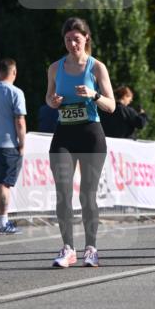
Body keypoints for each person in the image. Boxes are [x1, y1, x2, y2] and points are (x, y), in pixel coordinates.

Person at [46, 18, 115, 268]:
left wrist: (94, 95)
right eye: (68, 40)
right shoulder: (55, 68)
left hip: (90, 134)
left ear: (86, 38)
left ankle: (91, 249)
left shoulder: (97, 68)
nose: (72, 44)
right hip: (64, 134)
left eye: (76, 39)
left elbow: (111, 105)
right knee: (63, 194)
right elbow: (48, 97)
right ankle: (68, 249)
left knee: (87, 194)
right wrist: (53, 102)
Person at [0, 58, 26, 235]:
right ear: (14, 72)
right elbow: (20, 120)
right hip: (8, 145)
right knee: (4, 184)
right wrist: (22, 144)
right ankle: (3, 223)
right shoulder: (15, 92)